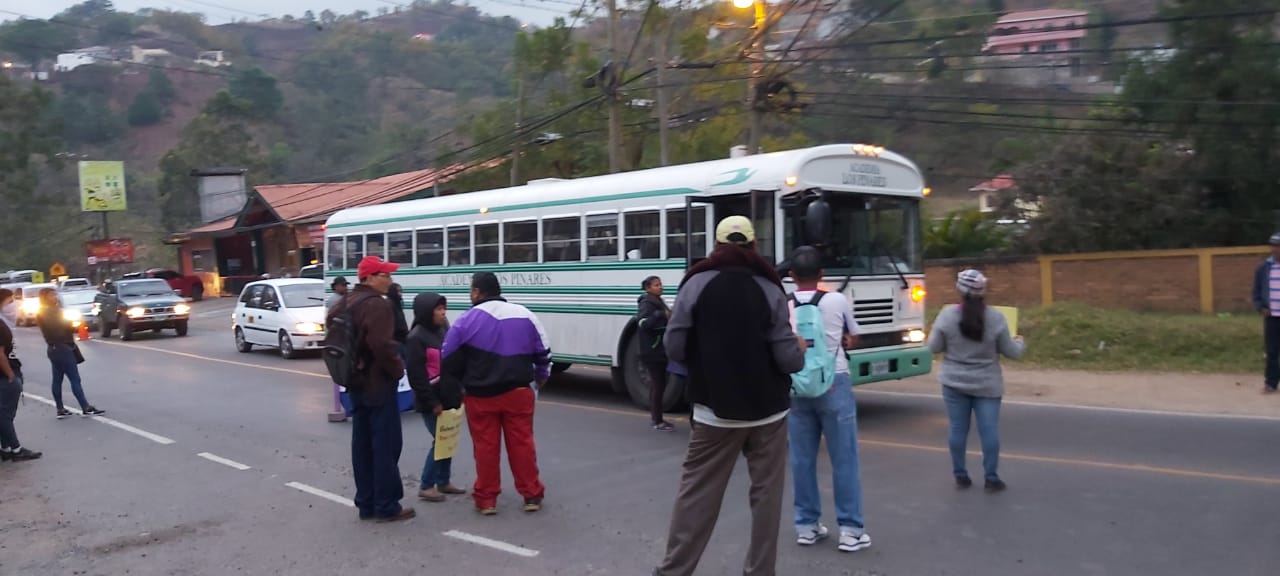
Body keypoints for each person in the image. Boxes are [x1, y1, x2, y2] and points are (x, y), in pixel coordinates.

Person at [654, 216, 807, 576]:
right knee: (766, 498)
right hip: (769, 414)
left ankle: (674, 571)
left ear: (717, 246)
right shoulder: (770, 287)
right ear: (754, 246)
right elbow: (788, 358)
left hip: (714, 412)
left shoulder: (696, 283)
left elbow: (673, 347)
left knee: (698, 496)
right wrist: (798, 349)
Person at [442, 272, 551, 515]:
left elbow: (447, 357)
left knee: (485, 447)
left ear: (477, 292)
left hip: (481, 395)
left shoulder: (466, 320)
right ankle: (531, 494)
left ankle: (487, 500)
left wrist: (460, 385)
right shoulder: (525, 314)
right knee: (523, 444)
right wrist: (541, 378)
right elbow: (544, 352)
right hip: (519, 392)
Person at [785, 246, 870, 553]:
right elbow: (853, 337)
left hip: (796, 386)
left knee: (802, 459)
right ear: (822, 274)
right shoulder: (836, 299)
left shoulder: (785, 304)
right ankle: (850, 530)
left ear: (792, 276)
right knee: (844, 458)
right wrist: (843, 338)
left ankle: (806, 526)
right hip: (835, 381)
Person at [329, 256, 414, 522]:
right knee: (385, 445)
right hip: (378, 384)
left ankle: (366, 502)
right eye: (384, 275)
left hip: (355, 382)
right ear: (369, 278)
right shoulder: (377, 305)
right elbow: (381, 344)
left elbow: (332, 325)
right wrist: (398, 369)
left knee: (362, 444)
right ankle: (387, 505)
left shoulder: (346, 301)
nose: (389, 279)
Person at [926, 269, 1025, 492]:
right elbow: (1013, 352)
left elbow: (932, 347)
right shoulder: (997, 318)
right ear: (983, 291)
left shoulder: (946, 315)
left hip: (953, 382)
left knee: (957, 429)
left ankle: (960, 475)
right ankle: (991, 477)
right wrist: (1020, 342)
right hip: (987, 384)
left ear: (959, 289)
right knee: (989, 431)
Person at [405, 292, 466, 503]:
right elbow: (417, 376)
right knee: (439, 440)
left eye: (443, 309)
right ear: (426, 312)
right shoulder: (415, 338)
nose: (443, 313)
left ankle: (443, 481)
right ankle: (426, 485)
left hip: (450, 394)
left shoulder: (443, 330)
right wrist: (432, 402)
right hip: (432, 399)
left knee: (448, 439)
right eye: (438, 310)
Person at [37, 288, 103, 419]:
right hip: (62, 347)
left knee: (57, 379)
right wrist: (71, 325)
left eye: (55, 294)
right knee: (74, 378)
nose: (55, 297)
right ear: (45, 297)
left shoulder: (44, 311)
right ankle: (85, 407)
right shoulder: (50, 311)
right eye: (51, 295)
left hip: (54, 348)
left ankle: (60, 409)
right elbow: (58, 329)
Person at [1, 289, 40, 461]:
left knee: (5, 414)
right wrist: (10, 374)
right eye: (10, 301)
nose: (14, 306)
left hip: (7, 371)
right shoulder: (1, 326)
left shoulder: (5, 323)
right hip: (6, 374)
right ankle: (16, 449)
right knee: (5, 414)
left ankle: (6, 447)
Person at [637, 275, 673, 431]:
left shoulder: (658, 301)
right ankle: (657, 420)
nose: (660, 287)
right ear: (648, 288)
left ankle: (657, 418)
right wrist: (660, 315)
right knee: (658, 384)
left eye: (660, 284)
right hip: (653, 350)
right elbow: (643, 323)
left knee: (659, 384)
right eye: (656, 285)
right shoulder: (647, 303)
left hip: (659, 349)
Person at [1251, 232, 1280, 394]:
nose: (1275, 249)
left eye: (1278, 246)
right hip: (1272, 317)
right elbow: (1256, 292)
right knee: (1272, 352)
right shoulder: (1263, 268)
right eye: (1273, 246)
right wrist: (1261, 307)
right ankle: (1271, 383)